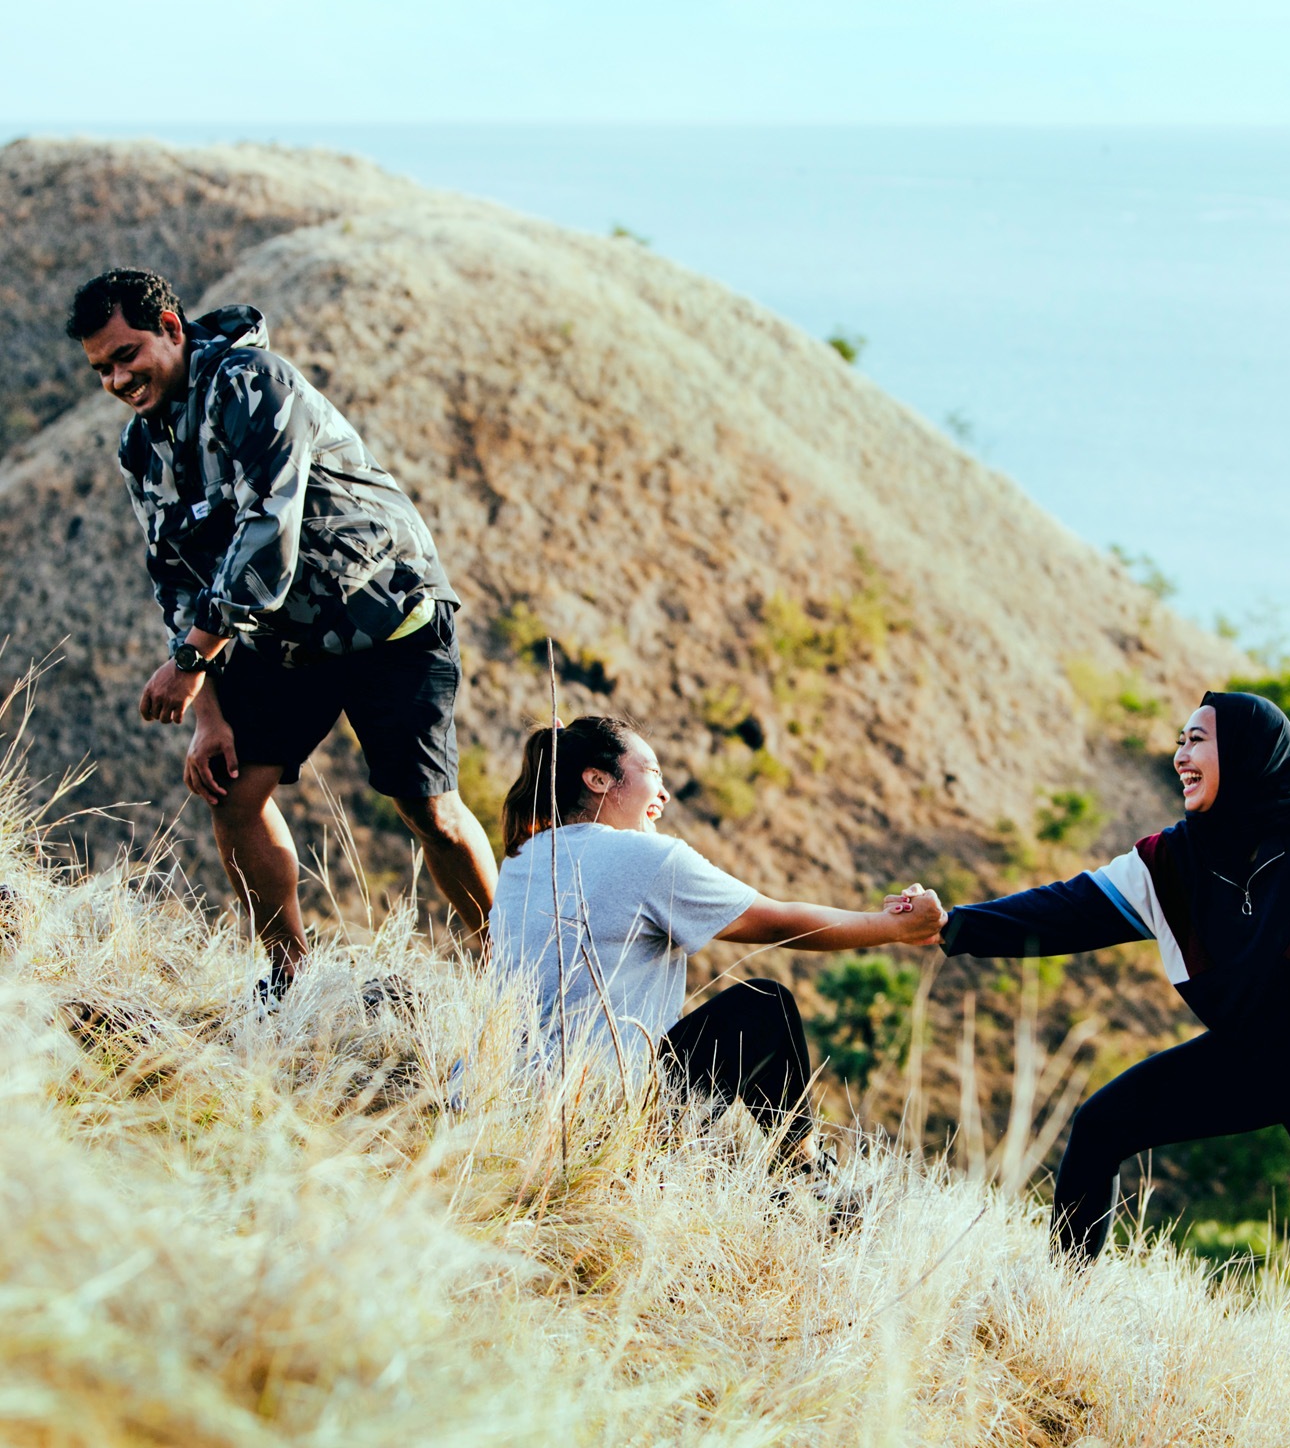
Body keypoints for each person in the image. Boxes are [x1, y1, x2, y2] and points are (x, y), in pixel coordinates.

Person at [939, 691, 1290, 1444]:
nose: (1180, 755)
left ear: (1247, 755)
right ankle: (1058, 1311)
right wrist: (955, 926)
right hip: (1247, 1060)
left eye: (1198, 740)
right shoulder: (1173, 859)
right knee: (1101, 1127)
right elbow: (1068, 908)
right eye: (1179, 740)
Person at [67, 268, 499, 993]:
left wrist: (192, 660)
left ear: (170, 328)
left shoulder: (251, 381)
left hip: (387, 616)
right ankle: (287, 980)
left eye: (126, 355)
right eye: (101, 369)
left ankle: (508, 958)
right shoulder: (141, 450)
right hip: (281, 638)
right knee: (232, 795)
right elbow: (174, 577)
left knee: (427, 807)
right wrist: (206, 714)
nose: (117, 379)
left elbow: (271, 534)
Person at [488, 716, 945, 1164]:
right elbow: (779, 922)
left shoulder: (522, 859)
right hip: (596, 1125)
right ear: (599, 779)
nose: (664, 793)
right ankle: (806, 1170)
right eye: (651, 774)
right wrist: (895, 926)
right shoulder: (645, 857)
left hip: (503, 1109)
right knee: (762, 1005)